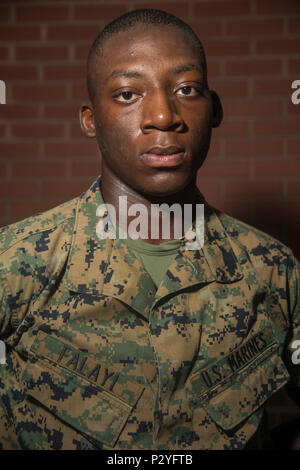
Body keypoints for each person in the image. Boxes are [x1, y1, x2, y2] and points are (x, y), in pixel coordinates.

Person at [0, 9, 299, 450]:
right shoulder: (15, 264)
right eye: (126, 94)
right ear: (90, 119)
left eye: (187, 89)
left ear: (213, 109)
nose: (162, 115)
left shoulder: (274, 271)